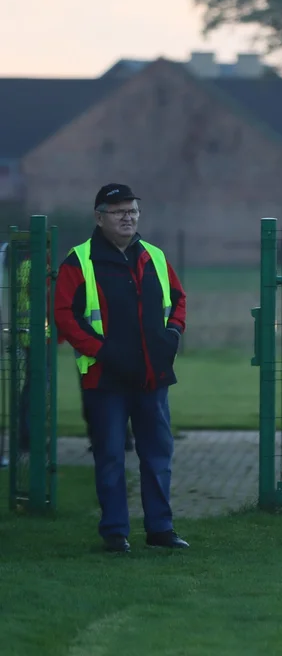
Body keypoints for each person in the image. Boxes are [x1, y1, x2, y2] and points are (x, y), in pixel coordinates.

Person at [54, 184, 189, 553]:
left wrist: (173, 336)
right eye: (118, 211)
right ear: (99, 217)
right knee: (111, 456)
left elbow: (178, 300)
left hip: (152, 377)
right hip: (105, 379)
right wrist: (100, 351)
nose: (128, 217)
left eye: (132, 211)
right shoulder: (79, 261)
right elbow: (65, 315)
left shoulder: (155, 257)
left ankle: (161, 529)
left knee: (158, 455)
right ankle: (115, 532)